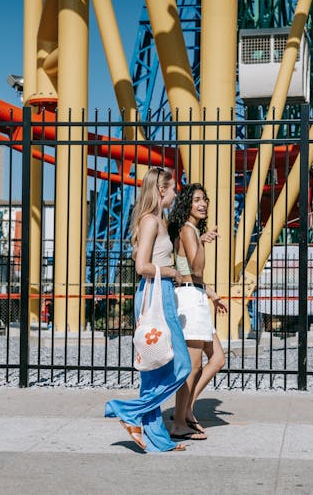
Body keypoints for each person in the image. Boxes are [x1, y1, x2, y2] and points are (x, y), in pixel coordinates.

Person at [104, 167, 191, 452]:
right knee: (182, 366)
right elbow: (141, 266)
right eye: (173, 187)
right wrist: (170, 272)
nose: (176, 193)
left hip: (159, 292)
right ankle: (127, 409)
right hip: (156, 293)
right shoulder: (151, 221)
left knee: (154, 372)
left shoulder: (160, 221)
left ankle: (156, 440)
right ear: (160, 189)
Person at [168, 183, 227, 439]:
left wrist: (211, 294)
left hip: (197, 295)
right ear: (186, 205)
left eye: (204, 200)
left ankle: (187, 409)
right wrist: (200, 242)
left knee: (217, 359)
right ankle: (179, 422)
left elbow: (190, 273)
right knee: (192, 366)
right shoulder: (187, 230)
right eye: (197, 200)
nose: (203, 204)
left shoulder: (190, 232)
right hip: (191, 301)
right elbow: (198, 268)